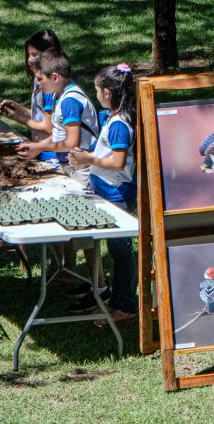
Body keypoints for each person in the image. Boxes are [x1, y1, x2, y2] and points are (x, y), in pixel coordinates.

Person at [86, 63, 140, 324]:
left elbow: (117, 162)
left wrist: (88, 159)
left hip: (116, 193)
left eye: (97, 89)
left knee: (121, 252)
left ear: (107, 92)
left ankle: (125, 306)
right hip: (109, 191)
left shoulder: (119, 123)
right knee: (119, 250)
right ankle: (120, 300)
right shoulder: (116, 117)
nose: (96, 93)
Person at [16, 50, 97, 170]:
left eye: (40, 79)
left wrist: (41, 147)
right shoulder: (58, 96)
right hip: (70, 164)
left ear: (55, 77)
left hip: (83, 168)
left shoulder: (69, 102)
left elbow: (72, 144)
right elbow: (59, 134)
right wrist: (37, 146)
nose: (37, 84)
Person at [0, 29, 63, 140]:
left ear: (50, 55)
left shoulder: (50, 86)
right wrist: (19, 110)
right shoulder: (39, 79)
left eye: (35, 55)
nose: (29, 60)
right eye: (28, 55)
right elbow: (41, 117)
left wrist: (18, 117)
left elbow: (48, 127)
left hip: (52, 154)